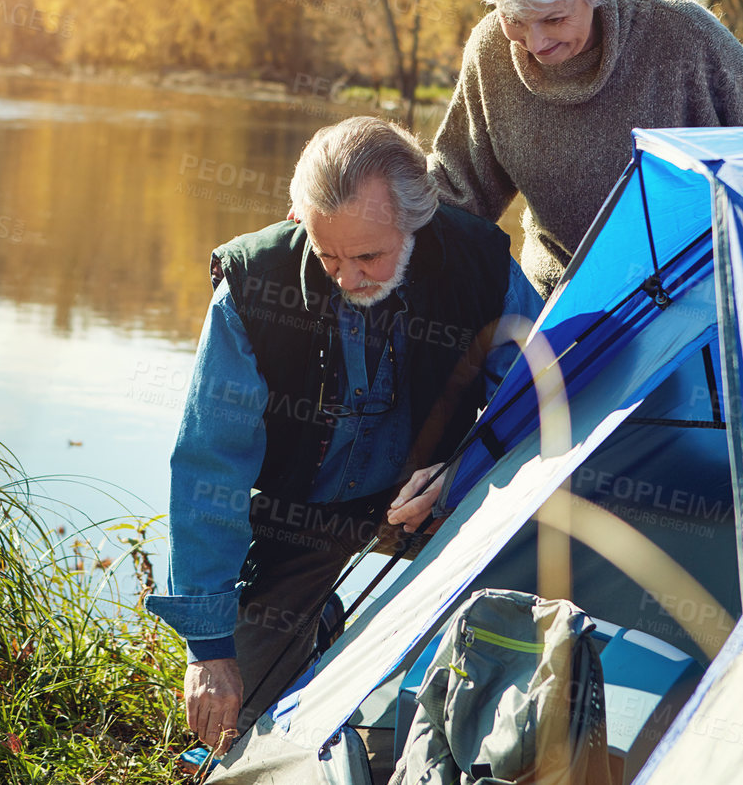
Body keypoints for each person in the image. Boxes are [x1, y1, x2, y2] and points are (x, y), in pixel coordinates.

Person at [146, 116, 544, 753]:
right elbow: (208, 469)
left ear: (415, 222)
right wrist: (208, 646)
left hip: (432, 506)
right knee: (231, 735)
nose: (348, 277)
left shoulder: (479, 263)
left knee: (514, 652)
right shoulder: (252, 288)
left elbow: (541, 404)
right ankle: (315, 618)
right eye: (327, 255)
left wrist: (465, 470)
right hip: (300, 516)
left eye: (368, 257)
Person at [429, 0, 743, 296]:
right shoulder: (490, 51)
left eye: (555, 19)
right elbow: (457, 192)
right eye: (516, 19)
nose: (536, 43)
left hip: (689, 298)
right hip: (560, 300)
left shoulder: (685, 36)